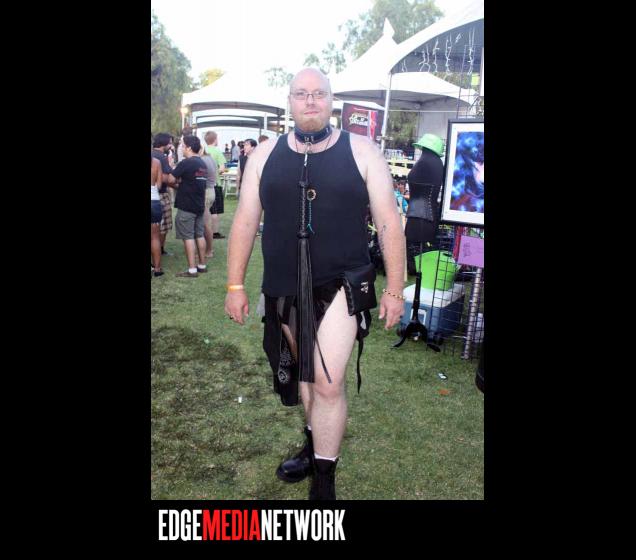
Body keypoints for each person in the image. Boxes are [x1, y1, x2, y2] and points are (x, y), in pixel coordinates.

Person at [224, 68, 405, 500]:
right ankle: (313, 446)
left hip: (342, 282)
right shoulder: (264, 155)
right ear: (290, 101)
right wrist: (235, 286)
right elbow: (245, 221)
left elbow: (388, 221)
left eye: (319, 94)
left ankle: (324, 481)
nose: (310, 101)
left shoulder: (362, 150)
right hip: (284, 284)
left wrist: (395, 289)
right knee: (305, 376)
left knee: (326, 381)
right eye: (302, 94)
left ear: (331, 100)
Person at [167, 135, 209, 277]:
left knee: (188, 237)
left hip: (186, 205)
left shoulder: (186, 163)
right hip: (199, 204)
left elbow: (170, 179)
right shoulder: (202, 163)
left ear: (189, 147)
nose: (181, 148)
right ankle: (202, 265)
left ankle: (192, 270)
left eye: (182, 145)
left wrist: (178, 184)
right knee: (199, 235)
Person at [152, 133, 175, 256]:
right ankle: (160, 250)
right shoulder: (161, 157)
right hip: (159, 195)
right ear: (164, 143)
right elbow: (166, 178)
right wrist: (178, 184)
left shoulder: (152, 154)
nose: (171, 146)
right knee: (163, 225)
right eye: (169, 143)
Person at [204, 131, 228, 239]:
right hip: (215, 183)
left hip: (204, 183)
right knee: (215, 210)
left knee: (206, 208)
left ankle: (205, 229)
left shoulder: (203, 150)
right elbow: (222, 168)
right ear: (215, 139)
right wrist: (216, 172)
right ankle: (215, 232)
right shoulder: (217, 151)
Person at [200, 144, 217, 258]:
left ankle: (209, 250)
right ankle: (208, 249)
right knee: (206, 223)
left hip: (206, 192)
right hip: (210, 190)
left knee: (206, 224)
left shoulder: (202, 160)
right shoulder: (209, 158)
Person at [151, 154, 164, 277]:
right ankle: (157, 269)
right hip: (154, 201)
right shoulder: (156, 162)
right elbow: (159, 185)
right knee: (155, 237)